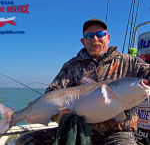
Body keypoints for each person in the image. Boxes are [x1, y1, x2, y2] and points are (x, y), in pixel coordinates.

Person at [15, 18, 150, 145]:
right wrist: (57, 116)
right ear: (83, 41)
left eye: (99, 34)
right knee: (25, 141)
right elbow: (51, 94)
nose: (95, 39)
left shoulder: (129, 63)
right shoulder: (72, 66)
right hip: (76, 130)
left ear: (108, 38)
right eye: (89, 36)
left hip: (117, 133)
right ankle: (13, 117)